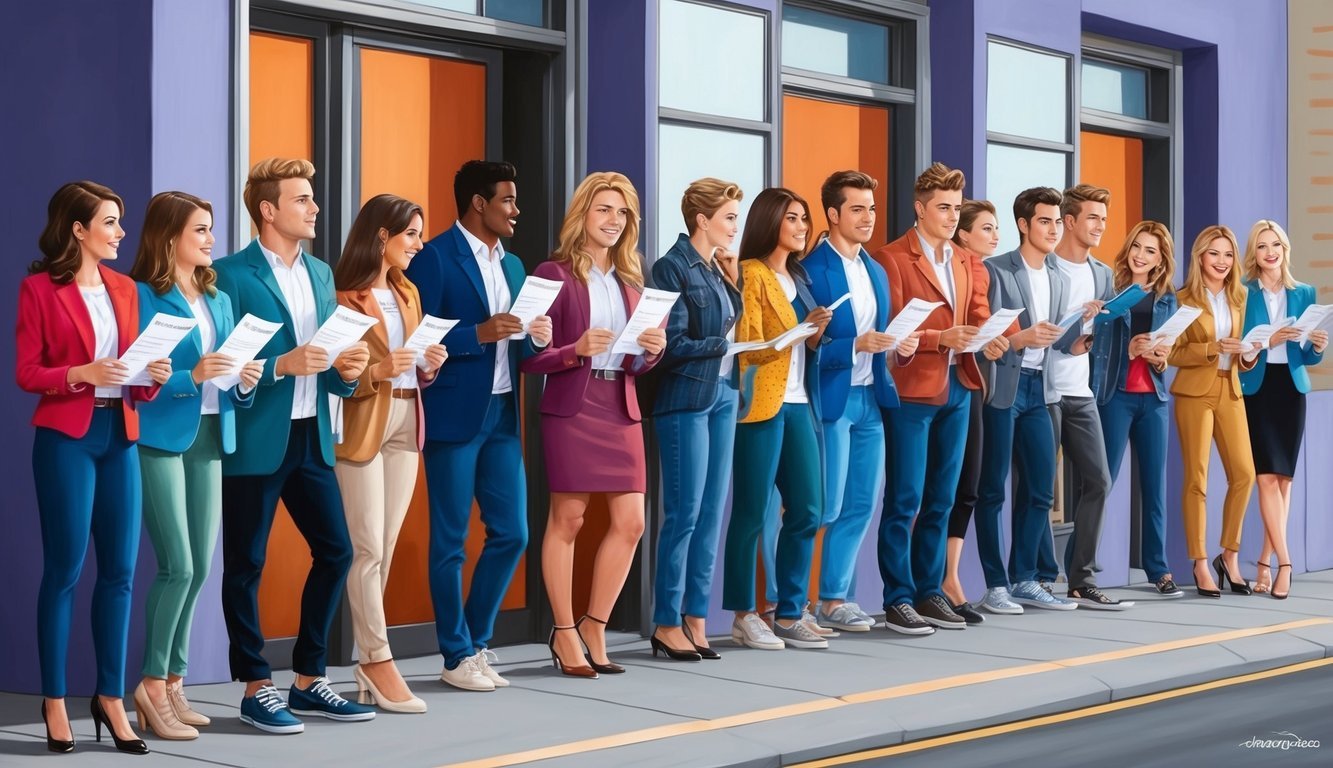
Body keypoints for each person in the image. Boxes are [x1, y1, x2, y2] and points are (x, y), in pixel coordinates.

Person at [213, 158, 376, 732]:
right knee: (246, 563)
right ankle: (257, 686)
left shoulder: (323, 274)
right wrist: (280, 364)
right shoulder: (229, 275)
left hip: (312, 436)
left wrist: (349, 371)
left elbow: (331, 358)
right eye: (302, 199)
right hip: (259, 438)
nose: (313, 208)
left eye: (312, 197)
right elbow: (226, 367)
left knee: (336, 550)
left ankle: (308, 680)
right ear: (268, 209)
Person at [18, 181, 171, 755]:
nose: (120, 233)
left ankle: (110, 698)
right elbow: (28, 372)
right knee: (64, 570)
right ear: (78, 230)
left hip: (121, 435)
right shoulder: (38, 290)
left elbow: (133, 368)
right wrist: (82, 373)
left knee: (122, 574)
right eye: (110, 223)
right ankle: (54, 699)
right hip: (66, 440)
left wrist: (150, 374)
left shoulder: (127, 289)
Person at [404, 160, 553, 692]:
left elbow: (521, 340)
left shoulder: (513, 266)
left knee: (512, 533)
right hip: (453, 414)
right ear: (477, 204)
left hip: (502, 413)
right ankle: (454, 653)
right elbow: (421, 339)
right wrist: (480, 333)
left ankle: (476, 642)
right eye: (508, 201)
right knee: (450, 540)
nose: (516, 210)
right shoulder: (436, 259)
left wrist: (535, 334)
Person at [129, 191, 262, 739]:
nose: (211, 240)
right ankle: (151, 685)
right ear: (169, 238)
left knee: (201, 569)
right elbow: (137, 381)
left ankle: (176, 682)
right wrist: (195, 376)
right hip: (160, 437)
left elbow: (227, 372)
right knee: (176, 565)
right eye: (200, 231)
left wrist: (245, 382)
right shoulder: (142, 297)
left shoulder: (217, 297)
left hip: (210, 434)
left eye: (211, 229)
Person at [521, 172, 665, 677]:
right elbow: (529, 357)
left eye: (622, 213)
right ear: (582, 214)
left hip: (620, 406)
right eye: (603, 209)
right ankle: (563, 632)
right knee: (569, 521)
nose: (613, 220)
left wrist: (652, 352)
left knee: (631, 523)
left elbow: (638, 364)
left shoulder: (633, 280)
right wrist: (571, 350)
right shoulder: (551, 273)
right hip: (571, 407)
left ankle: (594, 624)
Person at [871, 163, 1004, 634]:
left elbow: (979, 314)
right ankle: (897, 597)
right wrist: (938, 339)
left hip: (960, 387)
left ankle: (930, 591)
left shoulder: (968, 262)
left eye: (955, 208)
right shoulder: (891, 259)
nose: (951, 216)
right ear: (920, 208)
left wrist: (991, 338)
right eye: (943, 208)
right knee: (905, 497)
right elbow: (890, 329)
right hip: (912, 389)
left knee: (942, 499)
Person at [333, 194, 448, 710]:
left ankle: (366, 660)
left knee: (386, 544)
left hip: (407, 417)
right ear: (382, 236)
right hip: (363, 421)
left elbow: (414, 363)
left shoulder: (408, 290)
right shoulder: (342, 296)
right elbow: (339, 375)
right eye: (411, 236)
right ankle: (378, 659)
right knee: (368, 549)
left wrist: (428, 363)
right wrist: (380, 370)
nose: (419, 245)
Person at [804, 171, 919, 632]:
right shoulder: (813, 269)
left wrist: (896, 346)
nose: (868, 217)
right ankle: (786, 602)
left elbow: (880, 333)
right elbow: (805, 344)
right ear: (832, 214)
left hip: (873, 396)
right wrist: (855, 346)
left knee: (860, 505)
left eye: (871, 208)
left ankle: (834, 600)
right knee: (825, 506)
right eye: (857, 208)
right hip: (832, 399)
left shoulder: (874, 268)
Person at [722, 186, 830, 651]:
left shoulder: (800, 279)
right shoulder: (752, 274)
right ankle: (745, 613)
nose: (802, 227)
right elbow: (745, 346)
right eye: (792, 218)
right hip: (761, 404)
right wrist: (794, 335)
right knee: (749, 512)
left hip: (799, 402)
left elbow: (799, 344)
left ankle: (789, 611)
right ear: (770, 223)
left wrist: (814, 335)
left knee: (809, 508)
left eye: (804, 219)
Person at [648, 178, 744, 661]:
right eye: (728, 217)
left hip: (725, 393)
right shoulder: (671, 268)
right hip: (687, 398)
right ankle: (666, 621)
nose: (735, 226)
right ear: (701, 220)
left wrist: (733, 279)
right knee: (683, 515)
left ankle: (696, 617)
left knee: (710, 515)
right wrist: (723, 346)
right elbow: (671, 345)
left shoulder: (719, 269)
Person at [974, 187, 1078, 615]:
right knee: (992, 490)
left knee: (1039, 489)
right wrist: (1019, 339)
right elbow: (984, 338)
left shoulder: (1060, 275)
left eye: (1057, 221)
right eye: (1045, 221)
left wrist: (1078, 339)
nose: (1053, 229)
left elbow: (1059, 339)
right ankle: (994, 585)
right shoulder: (995, 270)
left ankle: (1025, 579)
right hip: (1002, 386)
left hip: (1042, 388)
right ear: (1024, 224)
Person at [1089, 221, 1183, 598]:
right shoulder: (1109, 290)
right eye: (1138, 247)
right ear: (1128, 248)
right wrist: (1128, 352)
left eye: (1151, 251)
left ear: (1161, 260)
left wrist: (1161, 358)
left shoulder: (1166, 298)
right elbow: (1095, 345)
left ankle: (1157, 569)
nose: (1142, 255)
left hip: (1154, 400)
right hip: (1116, 396)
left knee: (1154, 489)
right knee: (1101, 483)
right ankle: (1082, 566)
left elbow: (1167, 352)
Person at [1238, 220, 1327, 599]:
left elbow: (1305, 355)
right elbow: (1239, 345)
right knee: (1265, 478)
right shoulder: (1242, 292)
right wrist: (1266, 340)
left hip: (1291, 390)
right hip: (1257, 388)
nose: (1270, 251)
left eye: (1275, 244)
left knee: (1284, 480)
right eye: (1262, 246)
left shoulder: (1305, 292)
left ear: (1285, 249)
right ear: (1254, 253)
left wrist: (1318, 346)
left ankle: (1263, 560)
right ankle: (1285, 564)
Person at [1168, 225, 1258, 598]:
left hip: (1230, 387)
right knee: (1197, 480)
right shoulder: (1183, 298)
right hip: (1194, 391)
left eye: (1227, 254)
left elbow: (1244, 353)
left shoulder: (1240, 297)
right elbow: (1170, 352)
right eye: (1214, 254)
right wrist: (1211, 347)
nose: (1222, 261)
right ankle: (1200, 562)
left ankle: (1230, 555)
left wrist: (1248, 354)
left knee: (1244, 474)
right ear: (1200, 257)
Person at [1049, 184, 1125, 609]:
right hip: (1044, 391)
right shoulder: (1047, 267)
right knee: (1041, 490)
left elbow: (1103, 330)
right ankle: (1040, 576)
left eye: (1103, 219)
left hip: (1082, 392)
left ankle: (1081, 577)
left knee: (1098, 480)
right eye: (1093, 218)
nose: (1100, 226)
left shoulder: (1102, 274)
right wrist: (1074, 334)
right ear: (1070, 221)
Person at [943, 199, 1001, 621]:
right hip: (929, 379)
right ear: (963, 233)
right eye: (986, 228)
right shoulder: (950, 262)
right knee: (929, 491)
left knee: (969, 486)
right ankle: (935, 579)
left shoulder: (978, 269)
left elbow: (981, 318)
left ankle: (950, 576)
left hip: (968, 379)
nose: (995, 236)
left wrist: (997, 337)